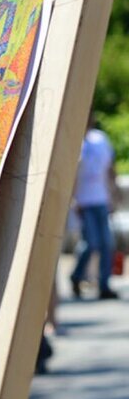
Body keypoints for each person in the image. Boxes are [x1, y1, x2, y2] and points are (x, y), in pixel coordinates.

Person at [69, 116, 120, 300]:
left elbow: (110, 168)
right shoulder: (75, 141)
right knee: (91, 244)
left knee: (107, 243)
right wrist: (73, 200)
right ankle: (76, 275)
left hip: (101, 198)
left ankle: (104, 285)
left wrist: (114, 195)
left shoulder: (100, 139)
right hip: (83, 201)